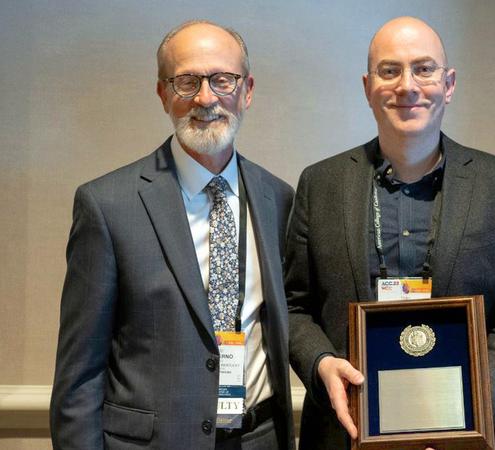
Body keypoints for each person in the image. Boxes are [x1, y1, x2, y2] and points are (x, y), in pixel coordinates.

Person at [286, 16, 495, 450]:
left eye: (424, 69)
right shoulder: (320, 183)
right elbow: (294, 307)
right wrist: (322, 362)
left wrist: (470, 407)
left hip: (463, 436)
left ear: (450, 83)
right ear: (368, 86)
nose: (407, 85)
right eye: (390, 70)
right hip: (343, 431)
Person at [50, 20, 294, 449]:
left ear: (247, 91)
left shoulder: (279, 199)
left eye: (222, 80)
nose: (205, 98)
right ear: (163, 93)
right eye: (187, 82)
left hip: (261, 438)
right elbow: (79, 376)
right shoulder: (107, 206)